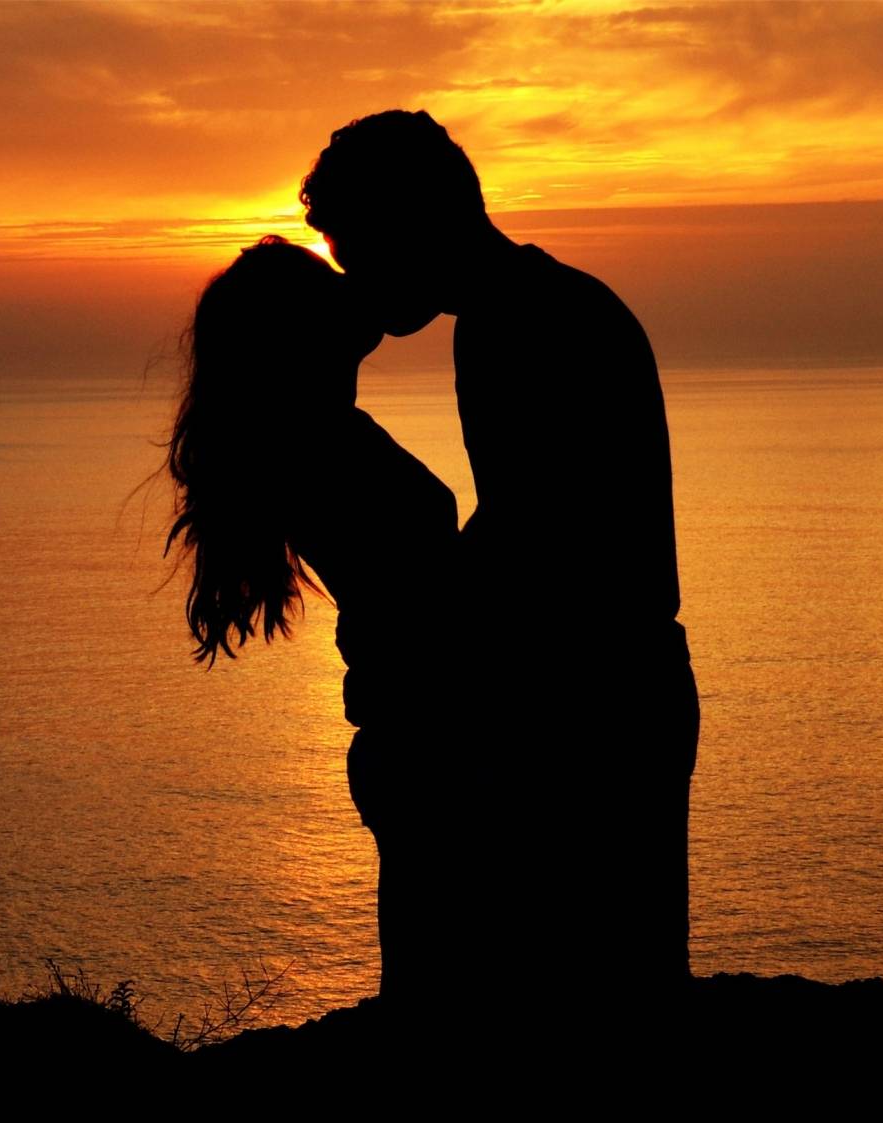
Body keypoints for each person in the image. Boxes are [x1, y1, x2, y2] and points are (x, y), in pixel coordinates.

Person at [301, 109, 700, 1003]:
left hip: (597, 708)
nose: (354, 277)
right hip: (615, 689)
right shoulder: (536, 306)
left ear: (411, 222)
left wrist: (412, 646)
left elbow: (533, 538)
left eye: (357, 248)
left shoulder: (515, 323)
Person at [164, 237, 470, 1007]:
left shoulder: (324, 435)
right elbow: (423, 589)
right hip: (428, 740)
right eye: (327, 285)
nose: (348, 288)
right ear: (300, 336)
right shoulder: (323, 445)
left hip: (414, 735)